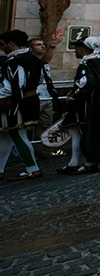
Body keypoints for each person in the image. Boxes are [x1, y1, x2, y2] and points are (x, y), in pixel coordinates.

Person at [61, 37, 100, 174]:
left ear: (83, 49)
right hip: (97, 101)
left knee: (87, 130)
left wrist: (73, 95)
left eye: (77, 48)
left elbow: (86, 83)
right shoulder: (99, 62)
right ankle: (74, 162)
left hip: (87, 103)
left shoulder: (87, 64)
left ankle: (90, 162)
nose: (75, 51)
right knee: (77, 130)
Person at [0, 30, 44, 179]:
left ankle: (32, 168)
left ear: (11, 44)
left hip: (17, 103)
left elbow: (15, 85)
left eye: (5, 44)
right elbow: (39, 80)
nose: (3, 47)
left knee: (18, 134)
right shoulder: (34, 59)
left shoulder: (15, 61)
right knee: (6, 135)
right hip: (30, 99)